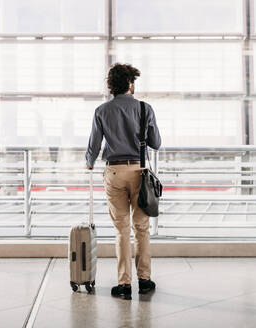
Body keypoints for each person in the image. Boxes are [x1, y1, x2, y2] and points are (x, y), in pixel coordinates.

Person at [85, 63, 161, 300]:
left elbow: (94, 146)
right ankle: (145, 280)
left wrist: (89, 162)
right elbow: (155, 143)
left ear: (111, 85)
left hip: (115, 172)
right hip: (139, 172)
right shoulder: (144, 108)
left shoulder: (101, 110)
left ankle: (124, 284)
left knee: (121, 230)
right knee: (142, 229)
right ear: (130, 83)